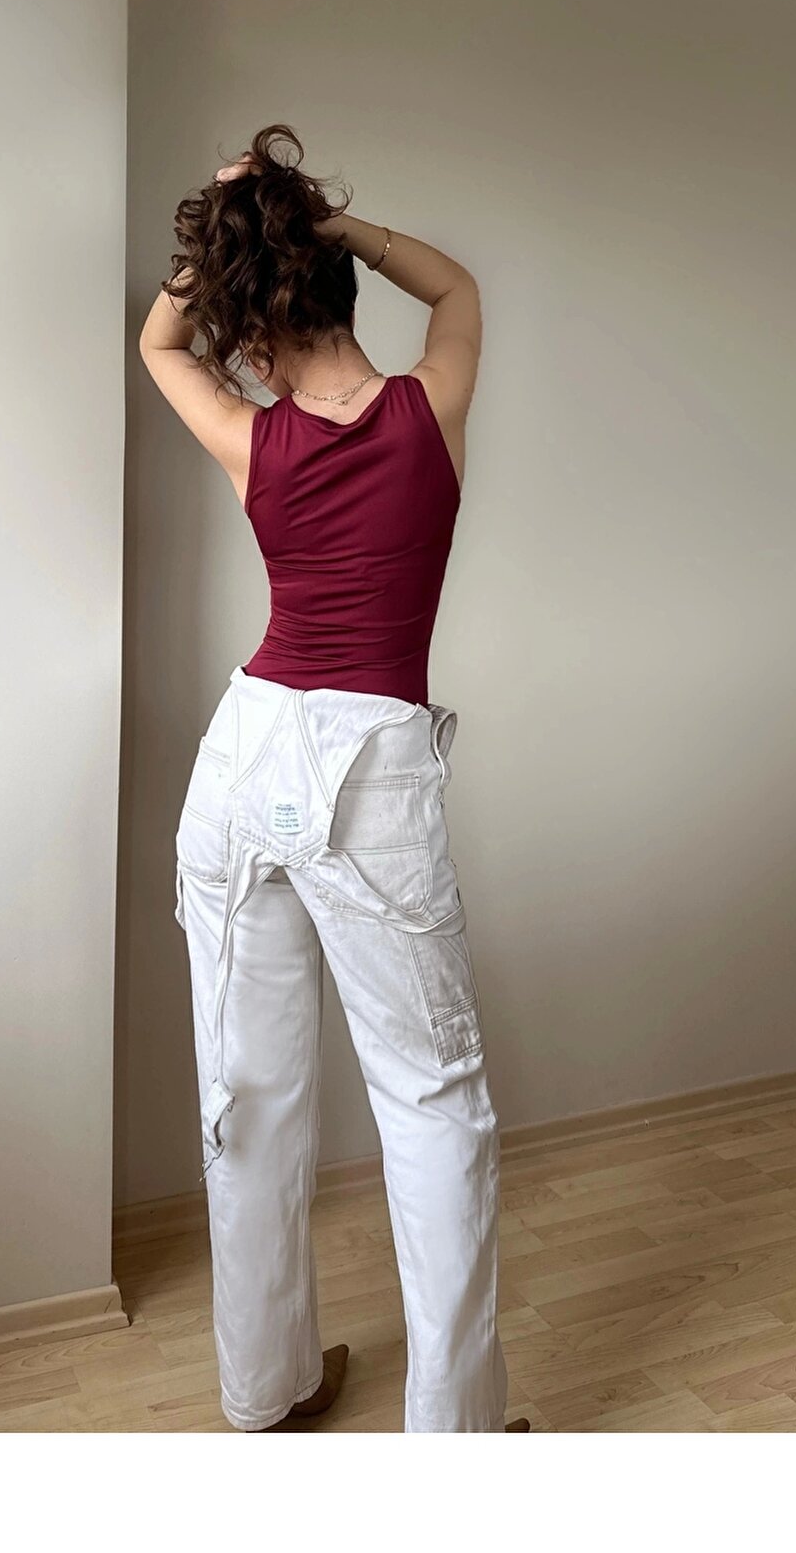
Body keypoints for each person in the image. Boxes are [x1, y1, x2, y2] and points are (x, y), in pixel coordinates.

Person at [138, 124, 526, 1435]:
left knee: (246, 1096)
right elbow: (458, 285)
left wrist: (224, 241)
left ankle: (268, 1392)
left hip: (246, 755)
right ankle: (454, 1446)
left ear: (254, 331)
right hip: (370, 769)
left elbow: (158, 343)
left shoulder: (254, 441)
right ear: (342, 284)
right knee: (432, 1102)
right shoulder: (433, 406)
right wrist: (329, 223)